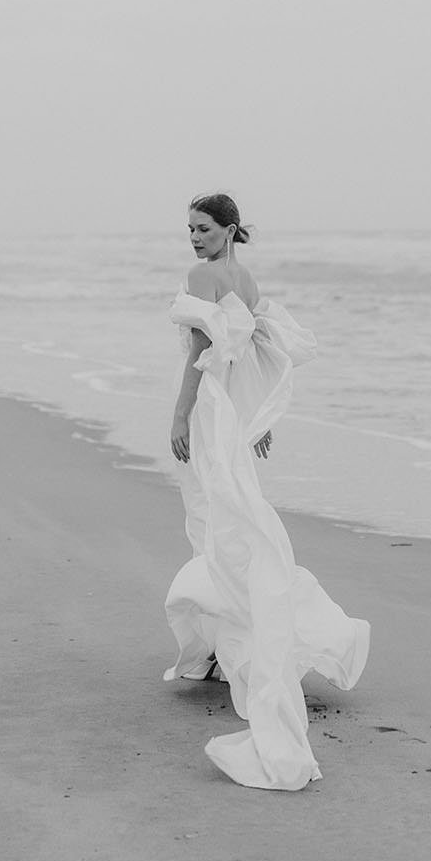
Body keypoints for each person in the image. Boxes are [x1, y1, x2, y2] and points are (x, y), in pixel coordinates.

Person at [165, 192, 370, 791]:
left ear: (229, 231)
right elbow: (256, 355)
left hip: (211, 409)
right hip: (232, 410)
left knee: (212, 521)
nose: (194, 239)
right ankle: (222, 647)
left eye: (203, 229)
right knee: (222, 521)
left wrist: (180, 416)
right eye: (189, 230)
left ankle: (225, 645)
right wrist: (259, 420)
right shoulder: (244, 278)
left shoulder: (205, 275)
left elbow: (205, 352)